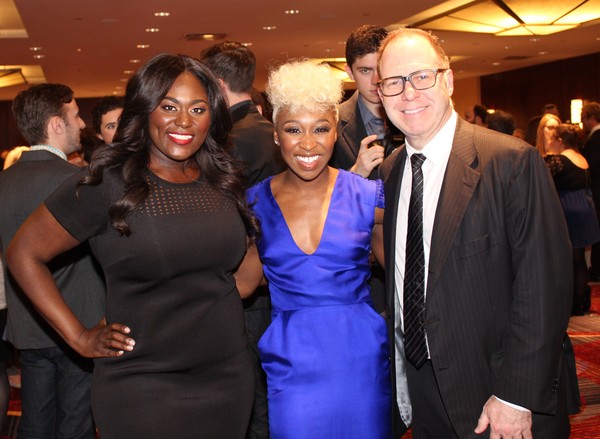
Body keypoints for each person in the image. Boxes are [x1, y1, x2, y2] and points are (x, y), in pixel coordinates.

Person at [6, 54, 257, 438]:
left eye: (198, 108)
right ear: (145, 110)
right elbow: (23, 253)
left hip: (226, 376)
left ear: (213, 116)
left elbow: (237, 283)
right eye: (169, 106)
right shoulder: (107, 182)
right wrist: (78, 337)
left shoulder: (222, 180)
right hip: (141, 382)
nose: (184, 121)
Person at [377, 28, 572, 438]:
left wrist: (515, 397)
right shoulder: (392, 170)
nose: (408, 93)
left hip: (498, 394)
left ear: (447, 80)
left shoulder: (511, 162)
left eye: (421, 76)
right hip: (425, 386)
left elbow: (545, 289)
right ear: (379, 93)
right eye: (393, 82)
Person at [235, 60, 393, 438]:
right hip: (291, 361)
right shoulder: (253, 202)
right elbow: (240, 285)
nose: (308, 144)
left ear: (336, 132)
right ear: (275, 135)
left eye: (320, 128)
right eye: (293, 130)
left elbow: (408, 276)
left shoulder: (368, 196)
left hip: (360, 359)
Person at [0, 83, 105, 439]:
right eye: (75, 116)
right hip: (80, 324)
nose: (82, 125)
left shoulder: (3, 182)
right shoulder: (81, 182)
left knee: (34, 424)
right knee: (74, 427)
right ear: (56, 125)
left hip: (27, 325)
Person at [200, 40, 284, 439]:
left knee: (251, 399)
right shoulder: (275, 132)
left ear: (216, 84)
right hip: (282, 278)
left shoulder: (227, 140)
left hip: (246, 282)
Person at [329, 24, 403, 181]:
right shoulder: (331, 122)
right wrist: (356, 173)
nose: (375, 80)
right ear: (350, 72)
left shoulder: (411, 113)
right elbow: (317, 193)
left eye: (380, 69)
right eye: (365, 71)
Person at [544, 123, 600, 315]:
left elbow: (541, 181)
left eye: (551, 139)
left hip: (568, 209)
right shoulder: (581, 157)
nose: (549, 142)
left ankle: (573, 304)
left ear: (560, 141)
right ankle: (582, 302)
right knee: (580, 260)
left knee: (569, 260)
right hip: (585, 207)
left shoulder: (559, 160)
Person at [580, 102, 600, 280]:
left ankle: (596, 271)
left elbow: (589, 169)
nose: (582, 123)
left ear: (591, 118)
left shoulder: (595, 140)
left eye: (583, 119)